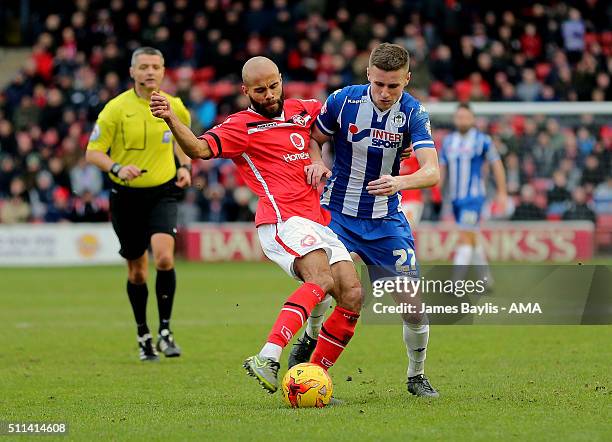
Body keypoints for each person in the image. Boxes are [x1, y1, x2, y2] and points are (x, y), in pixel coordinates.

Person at [150, 56, 362, 394]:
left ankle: (308, 372)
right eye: (259, 90)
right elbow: (198, 148)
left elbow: (327, 130)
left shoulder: (304, 108)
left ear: (281, 79)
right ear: (245, 90)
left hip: (317, 219)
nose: (268, 95)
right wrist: (170, 118)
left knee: (352, 293)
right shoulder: (240, 126)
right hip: (281, 219)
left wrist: (317, 157)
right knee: (321, 278)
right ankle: (268, 355)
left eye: (273, 86)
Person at [299, 43, 441, 397]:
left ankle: (416, 375)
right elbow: (314, 138)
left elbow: (432, 171)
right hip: (338, 216)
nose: (384, 92)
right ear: (368, 75)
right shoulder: (342, 101)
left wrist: (400, 181)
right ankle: (309, 338)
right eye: (378, 84)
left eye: (393, 85)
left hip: (385, 221)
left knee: (411, 305)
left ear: (407, 80)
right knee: (324, 289)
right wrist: (316, 161)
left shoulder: (414, 113)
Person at [86, 47, 192, 362]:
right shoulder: (115, 110)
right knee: (137, 272)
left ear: (163, 71)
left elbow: (182, 139)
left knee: (163, 259)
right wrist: (117, 168)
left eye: (155, 66)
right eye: (143, 66)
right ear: (132, 72)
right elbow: (93, 152)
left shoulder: (174, 106)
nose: (149, 71)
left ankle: (165, 331)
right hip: (126, 197)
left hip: (162, 192)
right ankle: (143, 334)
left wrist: (184, 167)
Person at [439, 103, 507, 284]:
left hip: (474, 198)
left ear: (473, 119)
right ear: (455, 119)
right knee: (472, 237)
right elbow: (442, 168)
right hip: (454, 198)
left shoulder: (482, 140)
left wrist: (502, 192)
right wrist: (436, 190)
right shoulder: (448, 141)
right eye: (459, 117)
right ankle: (486, 279)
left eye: (466, 117)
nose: (462, 120)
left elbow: (496, 164)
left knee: (465, 236)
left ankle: (455, 283)